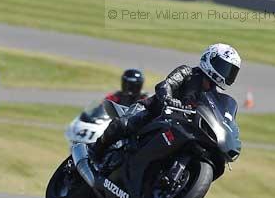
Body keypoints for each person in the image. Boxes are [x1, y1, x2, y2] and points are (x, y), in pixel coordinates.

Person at [92, 43, 241, 161]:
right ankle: (94, 152)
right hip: (153, 111)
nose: (226, 74)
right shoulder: (187, 73)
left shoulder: (215, 96)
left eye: (231, 71)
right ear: (210, 59)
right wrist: (168, 99)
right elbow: (165, 85)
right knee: (123, 124)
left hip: (180, 127)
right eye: (224, 67)